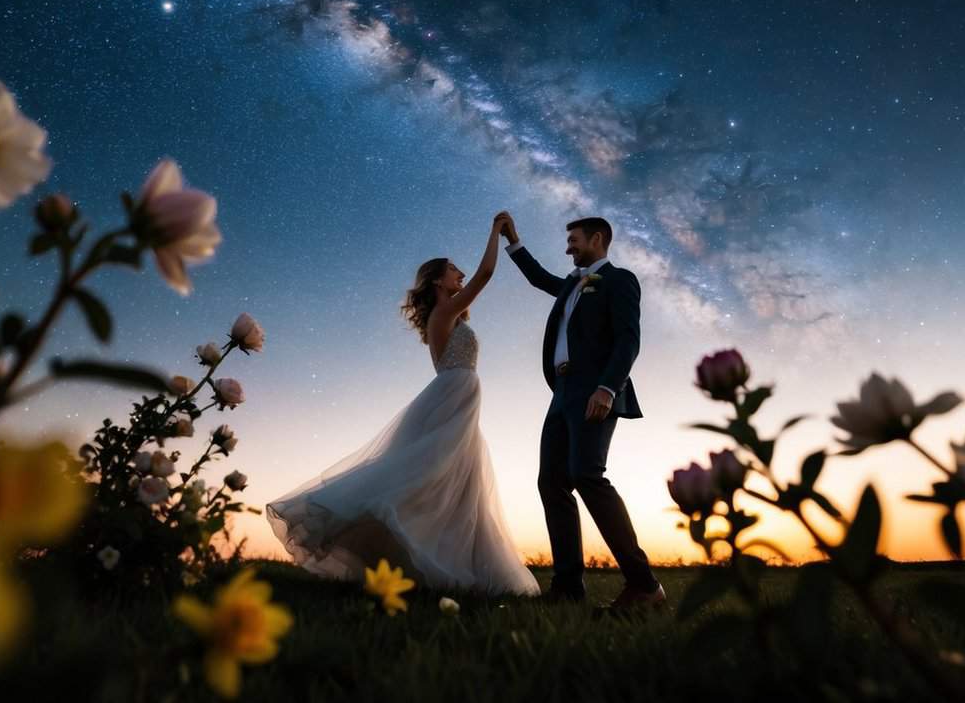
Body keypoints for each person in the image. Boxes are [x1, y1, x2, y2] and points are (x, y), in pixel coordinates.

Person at [266, 213, 540, 596]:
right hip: (451, 397)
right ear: (437, 282)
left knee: (456, 484)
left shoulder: (452, 316)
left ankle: (457, 567)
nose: (460, 274)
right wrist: (497, 231)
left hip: (459, 399)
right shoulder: (443, 313)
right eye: (453, 271)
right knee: (431, 476)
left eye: (460, 271)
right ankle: (414, 552)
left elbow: (474, 282)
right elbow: (485, 275)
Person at [497, 211, 666, 609]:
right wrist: (514, 240)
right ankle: (568, 587)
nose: (568, 247)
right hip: (562, 394)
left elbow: (628, 339)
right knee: (551, 483)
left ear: (597, 239)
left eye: (574, 240)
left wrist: (607, 388)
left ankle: (645, 586)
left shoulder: (619, 280)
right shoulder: (571, 285)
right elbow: (539, 277)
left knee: (587, 475)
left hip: (596, 390)